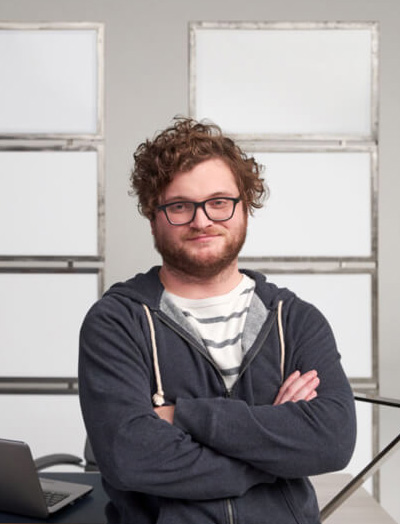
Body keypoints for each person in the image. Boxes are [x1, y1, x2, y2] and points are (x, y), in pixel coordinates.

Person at [79, 117, 356, 524]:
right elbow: (129, 457)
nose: (202, 220)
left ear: (245, 207)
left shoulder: (294, 320)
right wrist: (276, 456)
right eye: (180, 206)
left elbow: (332, 441)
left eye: (219, 202)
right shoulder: (117, 323)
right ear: (153, 215)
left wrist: (181, 416)